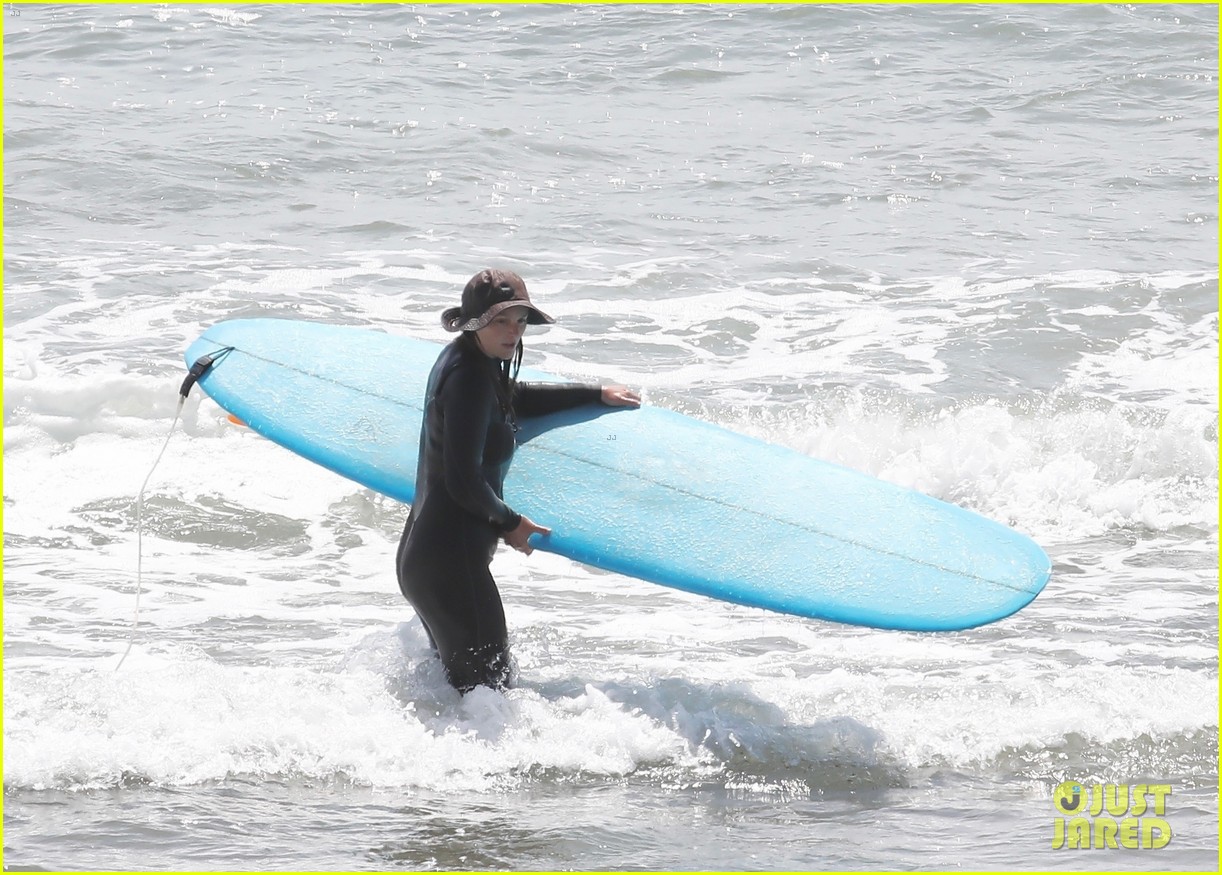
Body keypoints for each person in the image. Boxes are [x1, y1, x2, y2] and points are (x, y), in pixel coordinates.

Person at [396, 268, 641, 693]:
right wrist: (511, 523)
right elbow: (463, 480)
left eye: (520, 321)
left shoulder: (465, 360)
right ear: (476, 324)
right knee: (491, 703)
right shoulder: (470, 379)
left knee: (463, 701)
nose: (513, 332)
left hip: (426, 560)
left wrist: (593, 392)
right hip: (452, 567)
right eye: (501, 322)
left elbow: (513, 398)